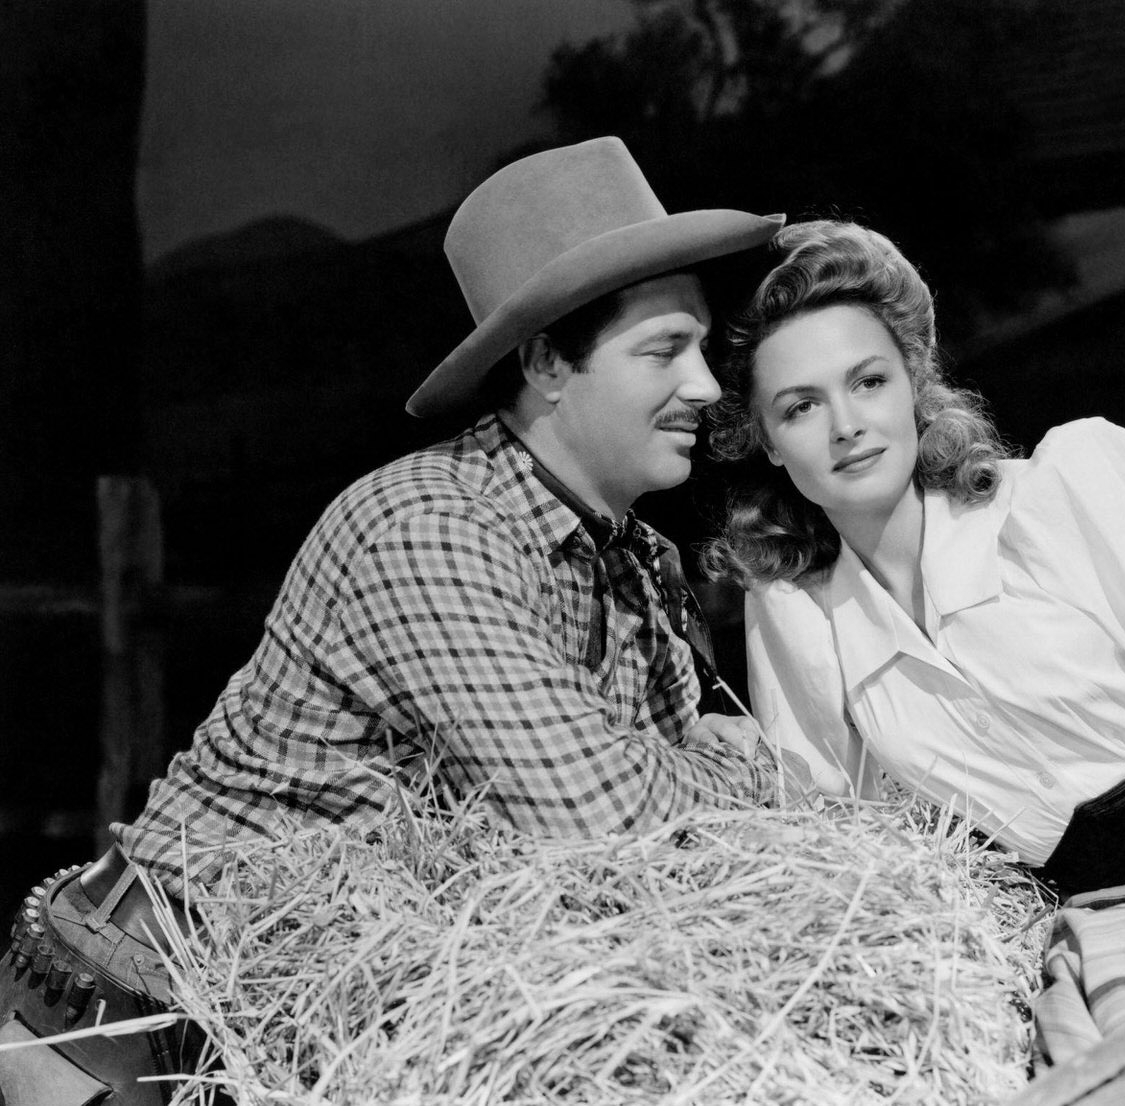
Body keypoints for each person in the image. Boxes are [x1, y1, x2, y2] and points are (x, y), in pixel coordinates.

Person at [0, 137, 790, 1104]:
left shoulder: (640, 562)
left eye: (703, 348)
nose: (708, 386)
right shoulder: (428, 528)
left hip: (314, 1025)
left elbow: (691, 865)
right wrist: (733, 762)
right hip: (145, 1027)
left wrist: (684, 781)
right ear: (546, 362)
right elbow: (606, 829)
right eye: (665, 349)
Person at [702, 218, 1125, 1100]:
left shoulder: (1055, 495)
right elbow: (839, 840)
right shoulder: (798, 615)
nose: (847, 426)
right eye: (800, 406)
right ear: (766, 440)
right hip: (1095, 915)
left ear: (912, 384)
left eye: (869, 381)